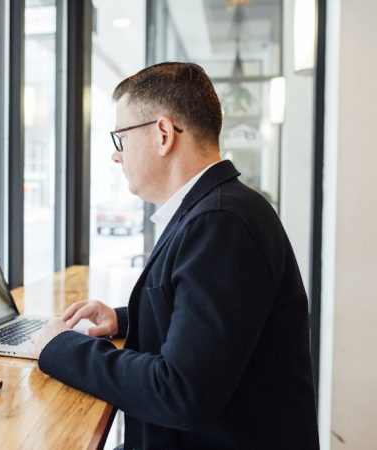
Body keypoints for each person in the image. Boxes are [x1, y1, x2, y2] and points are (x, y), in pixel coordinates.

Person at [29, 62, 319, 449]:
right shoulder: (220, 208)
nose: (117, 157)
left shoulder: (221, 222)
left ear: (163, 134)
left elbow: (180, 392)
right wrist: (121, 319)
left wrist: (59, 347)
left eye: (121, 139)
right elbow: (213, 321)